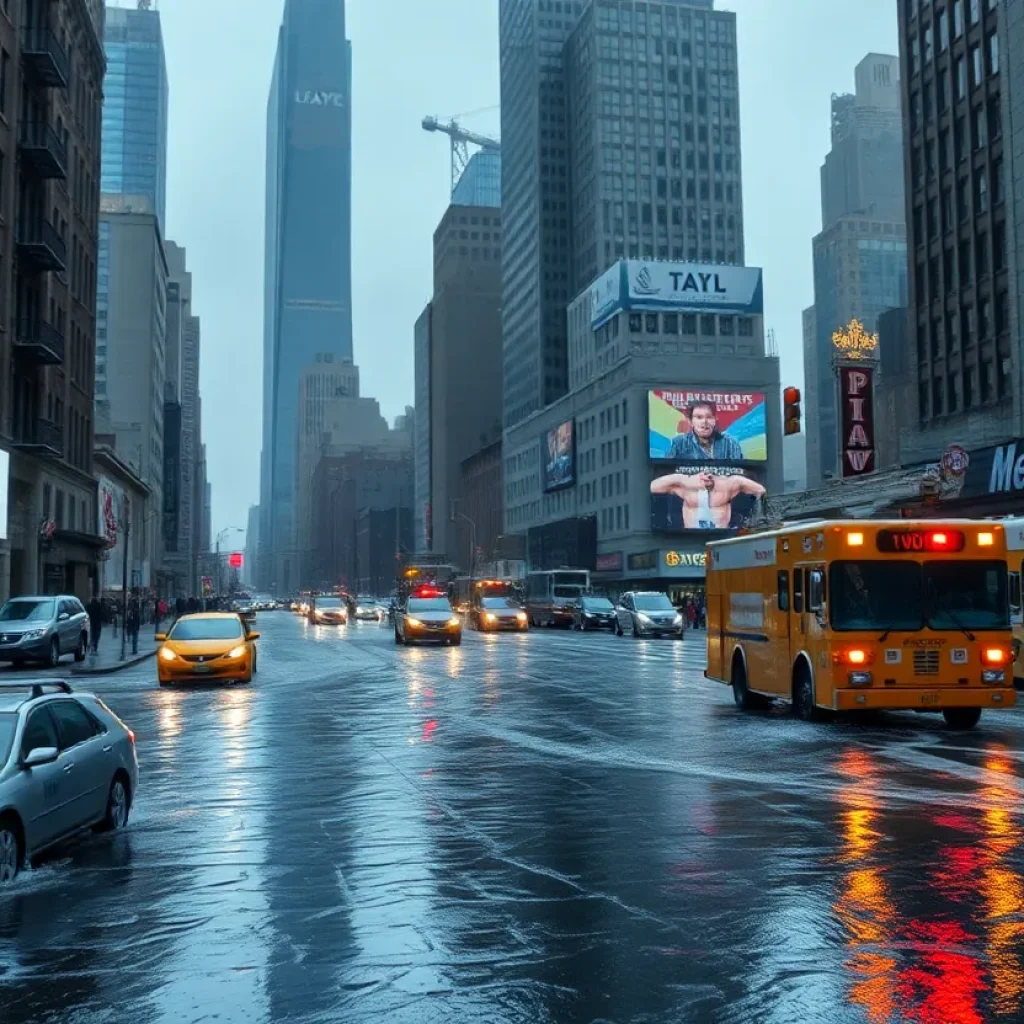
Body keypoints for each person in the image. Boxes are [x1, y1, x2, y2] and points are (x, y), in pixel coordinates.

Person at [651, 470, 766, 529]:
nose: (707, 477)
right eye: (704, 475)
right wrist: (682, 478)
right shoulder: (685, 487)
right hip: (690, 537)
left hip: (721, 539)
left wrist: (734, 480)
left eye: (710, 476)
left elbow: (760, 490)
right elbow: (652, 487)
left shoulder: (728, 485)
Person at [666, 400, 745, 462]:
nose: (704, 421)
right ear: (690, 421)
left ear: (715, 419)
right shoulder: (679, 444)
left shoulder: (731, 444)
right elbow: (667, 473)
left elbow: (742, 473)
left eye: (709, 417)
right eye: (699, 417)